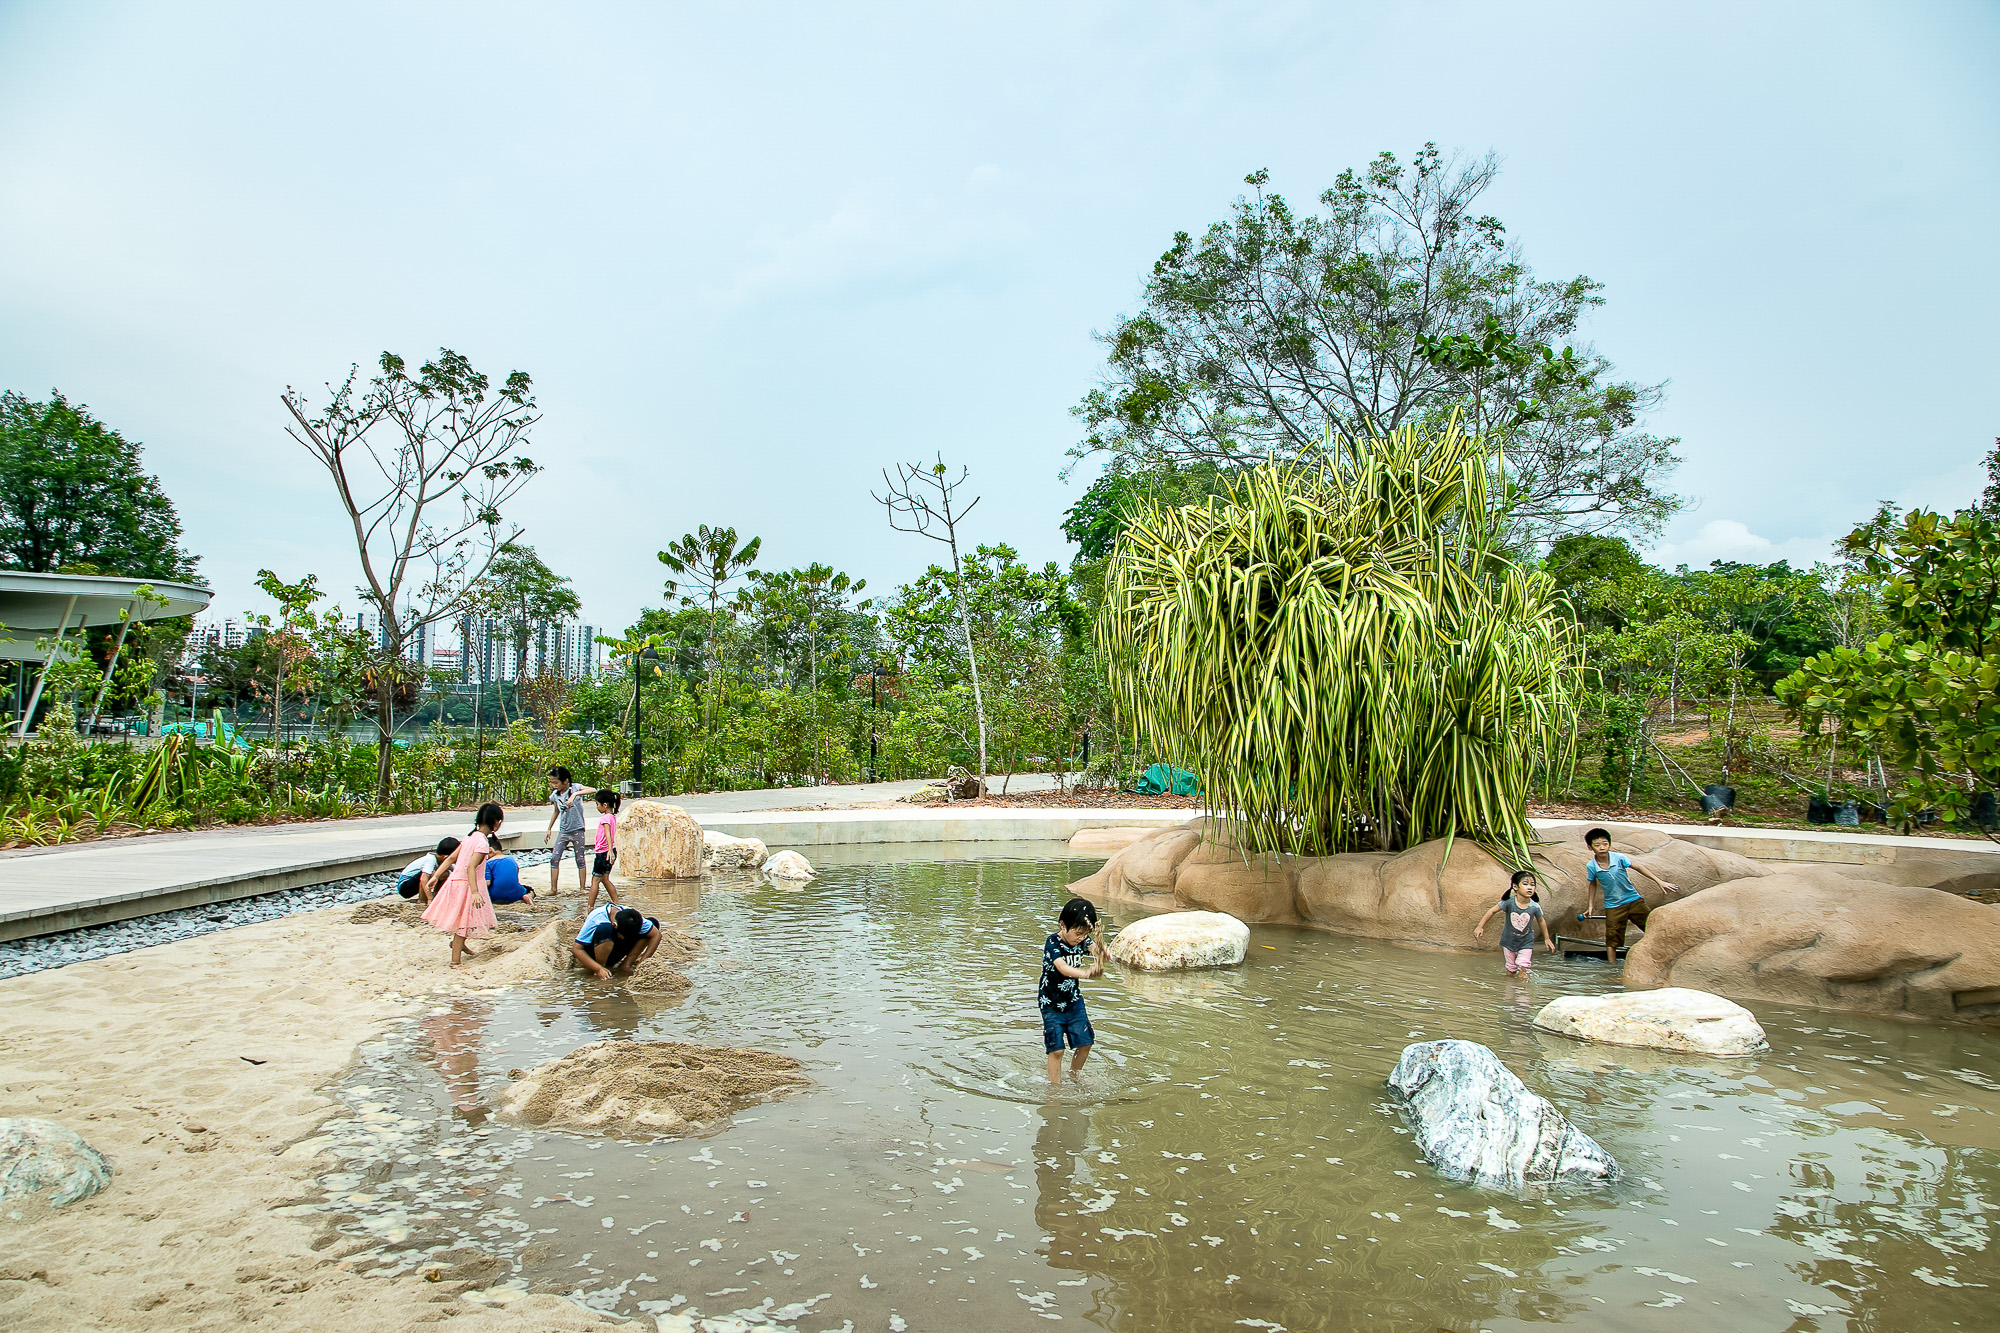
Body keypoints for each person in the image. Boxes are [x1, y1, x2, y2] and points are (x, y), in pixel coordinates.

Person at [1581, 827, 1679, 963]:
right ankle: (1612, 966)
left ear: (1610, 844)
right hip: (1613, 905)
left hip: (1634, 900)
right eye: (1597, 845)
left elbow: (1638, 867)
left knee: (1651, 927)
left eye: (1605, 843)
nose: (1602, 847)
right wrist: (1590, 905)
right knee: (1612, 938)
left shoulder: (1619, 858)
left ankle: (1668, 955)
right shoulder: (1591, 866)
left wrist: (1659, 881)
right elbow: (1592, 884)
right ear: (1589, 847)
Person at [422, 803, 503, 967]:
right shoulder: (482, 843)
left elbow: (451, 858)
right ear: (496, 823)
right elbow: (470, 867)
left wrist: (436, 876)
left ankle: (460, 946)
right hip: (468, 885)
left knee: (464, 918)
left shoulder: (469, 838)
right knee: (463, 923)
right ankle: (455, 961)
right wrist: (474, 892)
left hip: (457, 882)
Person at [1040, 896, 1104, 1088]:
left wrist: (1104, 953)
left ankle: (1074, 1075)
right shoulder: (1053, 943)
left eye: (1085, 934)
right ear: (1062, 925)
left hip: (1073, 1001)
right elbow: (1062, 968)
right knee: (1057, 1050)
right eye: (1078, 933)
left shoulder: (1082, 941)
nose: (1081, 938)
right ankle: (1055, 1088)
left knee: (1085, 1043)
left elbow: (1096, 949)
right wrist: (1086, 973)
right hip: (1051, 1003)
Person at [1475, 870, 1554, 975]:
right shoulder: (1508, 903)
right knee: (1510, 970)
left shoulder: (1534, 906)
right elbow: (1492, 911)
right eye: (1525, 884)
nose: (1529, 887)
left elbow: (1541, 920)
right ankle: (1511, 990)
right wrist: (1480, 926)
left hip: (1526, 942)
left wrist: (1547, 938)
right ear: (1515, 887)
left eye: (1532, 885)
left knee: (1523, 967)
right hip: (1508, 942)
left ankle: (1523, 990)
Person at [568, 905, 662, 980]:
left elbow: (656, 935)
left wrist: (641, 964)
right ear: (615, 925)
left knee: (653, 923)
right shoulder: (596, 918)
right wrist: (598, 968)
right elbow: (576, 949)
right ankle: (602, 969)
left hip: (618, 948)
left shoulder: (634, 917)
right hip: (596, 950)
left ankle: (626, 965)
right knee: (605, 929)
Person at [544, 766, 591, 898]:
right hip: (563, 831)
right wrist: (549, 828)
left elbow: (593, 790)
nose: (554, 785)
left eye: (556, 782)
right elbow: (556, 811)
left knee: (580, 859)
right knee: (554, 858)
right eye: (552, 783)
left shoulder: (575, 788)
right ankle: (554, 888)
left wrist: (575, 795)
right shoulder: (555, 795)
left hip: (577, 829)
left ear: (565, 781)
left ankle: (582, 888)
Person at [584, 789, 622, 913]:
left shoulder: (605, 818)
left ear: (604, 805)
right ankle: (617, 903)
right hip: (609, 852)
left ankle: (590, 908)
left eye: (597, 804)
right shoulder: (612, 817)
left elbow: (607, 834)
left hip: (603, 853)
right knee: (605, 879)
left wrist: (609, 850)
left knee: (595, 880)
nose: (597, 807)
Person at [397, 837, 459, 902]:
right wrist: (430, 898)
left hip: (413, 884)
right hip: (404, 887)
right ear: (446, 857)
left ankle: (437, 895)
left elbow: (457, 870)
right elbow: (424, 879)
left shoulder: (441, 861)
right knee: (431, 874)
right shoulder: (430, 859)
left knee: (445, 874)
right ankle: (422, 900)